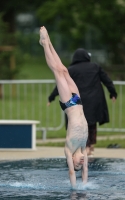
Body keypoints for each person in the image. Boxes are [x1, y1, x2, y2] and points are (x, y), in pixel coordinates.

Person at [39, 26, 88, 189]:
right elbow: (85, 171)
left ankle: (45, 44)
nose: (80, 163)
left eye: (78, 164)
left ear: (72, 161)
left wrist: (75, 190)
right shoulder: (83, 148)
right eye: (81, 164)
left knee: (57, 72)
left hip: (68, 104)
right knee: (64, 70)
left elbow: (72, 173)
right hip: (78, 100)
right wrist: (85, 184)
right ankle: (49, 42)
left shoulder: (69, 148)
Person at [48, 48, 117, 156]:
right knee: (91, 123)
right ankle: (90, 146)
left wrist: (51, 97)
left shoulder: (71, 69)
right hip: (94, 101)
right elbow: (107, 80)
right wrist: (113, 93)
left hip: (78, 101)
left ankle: (82, 147)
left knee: (78, 124)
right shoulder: (95, 67)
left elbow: (61, 85)